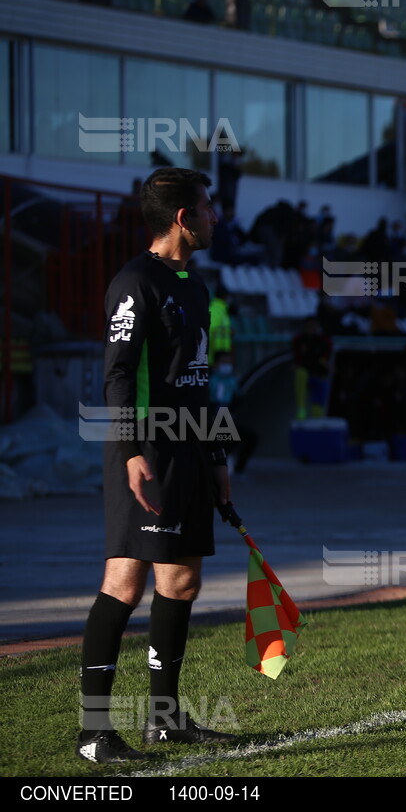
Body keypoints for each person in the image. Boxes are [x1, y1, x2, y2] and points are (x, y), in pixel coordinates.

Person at [79, 168, 234, 764]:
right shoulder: (134, 282)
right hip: (148, 453)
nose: (215, 216)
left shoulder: (195, 287)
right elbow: (117, 374)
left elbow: (202, 383)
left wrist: (217, 456)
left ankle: (163, 721)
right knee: (124, 581)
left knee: (182, 582)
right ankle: (95, 733)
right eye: (207, 207)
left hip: (192, 452)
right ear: (182, 218)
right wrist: (131, 453)